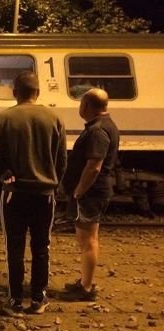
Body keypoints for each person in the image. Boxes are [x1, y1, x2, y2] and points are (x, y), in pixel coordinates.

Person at [0, 71, 67, 315]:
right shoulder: (54, 118)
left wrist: (2, 170)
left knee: (14, 248)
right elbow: (62, 160)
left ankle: (15, 300)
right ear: (38, 92)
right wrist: (54, 183)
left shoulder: (4, 117)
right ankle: (38, 299)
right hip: (45, 194)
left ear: (15, 92)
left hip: (14, 193)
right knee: (42, 247)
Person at [61, 88, 119, 301]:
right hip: (94, 191)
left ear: (86, 105)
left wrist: (79, 190)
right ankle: (85, 282)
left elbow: (94, 166)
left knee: (88, 241)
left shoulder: (97, 131)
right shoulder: (107, 125)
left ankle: (86, 288)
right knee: (88, 239)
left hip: (91, 193)